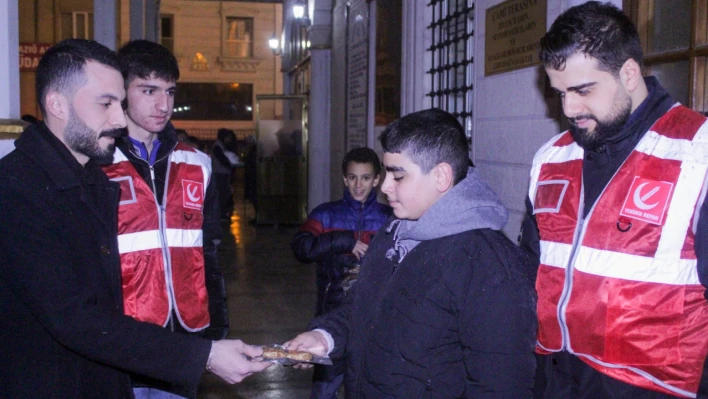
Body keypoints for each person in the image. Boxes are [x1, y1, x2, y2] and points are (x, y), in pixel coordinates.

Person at [0, 39, 271, 399]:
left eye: (119, 103)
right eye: (107, 103)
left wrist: (208, 339)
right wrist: (203, 355)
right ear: (57, 104)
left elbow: (205, 254)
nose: (118, 118)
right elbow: (72, 317)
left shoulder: (90, 180)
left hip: (124, 359)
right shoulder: (16, 188)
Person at [519, 2, 708, 398]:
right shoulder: (552, 158)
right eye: (559, 93)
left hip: (654, 388)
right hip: (556, 380)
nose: (569, 109)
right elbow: (531, 271)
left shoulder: (698, 151)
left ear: (629, 72)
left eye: (583, 90)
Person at [285, 108, 538, 398]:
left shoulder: (488, 265)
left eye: (398, 176)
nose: (385, 187)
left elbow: (501, 384)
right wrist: (325, 337)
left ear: (441, 176)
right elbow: (362, 307)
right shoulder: (393, 234)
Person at [99, 40, 230, 399]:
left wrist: (217, 328)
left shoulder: (197, 164)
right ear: (122, 92)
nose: (164, 105)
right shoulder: (98, 166)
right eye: (148, 90)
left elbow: (210, 251)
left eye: (170, 91)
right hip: (123, 336)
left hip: (185, 334)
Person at [291, 147, 392, 399]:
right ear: (344, 178)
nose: (359, 185)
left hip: (375, 322)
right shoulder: (325, 214)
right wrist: (343, 241)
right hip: (330, 318)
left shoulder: (390, 218)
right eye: (353, 177)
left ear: (377, 180)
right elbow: (301, 248)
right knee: (324, 392)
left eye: (366, 178)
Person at [212, 128, 240, 220]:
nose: (229, 140)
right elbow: (223, 160)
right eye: (228, 138)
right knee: (222, 194)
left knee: (224, 193)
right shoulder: (218, 147)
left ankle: (222, 213)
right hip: (220, 173)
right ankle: (221, 214)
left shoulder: (221, 146)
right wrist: (232, 165)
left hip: (222, 173)